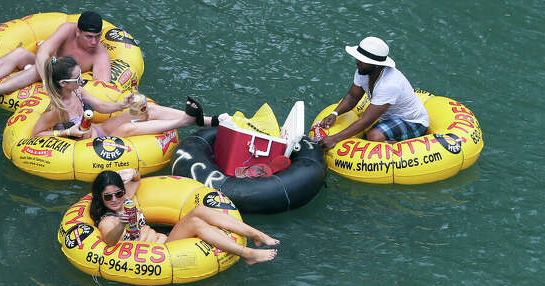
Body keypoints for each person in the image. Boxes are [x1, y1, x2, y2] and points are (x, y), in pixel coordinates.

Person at [91, 168, 279, 265]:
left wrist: (132, 172)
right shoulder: (109, 219)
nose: (114, 199)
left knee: (200, 210)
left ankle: (256, 235)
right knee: (195, 222)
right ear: (100, 197)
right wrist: (121, 224)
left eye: (118, 193)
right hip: (159, 253)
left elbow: (137, 179)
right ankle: (246, 254)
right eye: (108, 196)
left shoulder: (125, 201)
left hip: (166, 240)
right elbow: (109, 240)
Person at [30, 56, 215, 141]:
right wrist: (66, 133)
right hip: (92, 145)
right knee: (127, 128)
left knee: (143, 106)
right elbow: (36, 133)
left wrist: (122, 104)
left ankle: (204, 120)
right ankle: (186, 121)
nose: (82, 80)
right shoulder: (57, 110)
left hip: (100, 129)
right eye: (77, 78)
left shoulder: (78, 91)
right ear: (63, 83)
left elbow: (101, 106)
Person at [0, 10, 112, 104]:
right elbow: (43, 52)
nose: (94, 41)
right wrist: (46, 80)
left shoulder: (100, 56)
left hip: (65, 83)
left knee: (42, 68)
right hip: (47, 72)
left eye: (97, 36)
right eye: (89, 36)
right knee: (20, 54)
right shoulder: (67, 29)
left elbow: (102, 92)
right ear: (78, 32)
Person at [318, 36, 430, 150]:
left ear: (376, 64)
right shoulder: (363, 71)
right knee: (368, 135)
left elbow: (366, 121)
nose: (357, 62)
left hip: (412, 122)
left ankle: (404, 147)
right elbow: (352, 97)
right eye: (358, 58)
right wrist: (335, 114)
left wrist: (335, 138)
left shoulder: (389, 84)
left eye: (363, 61)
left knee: (373, 137)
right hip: (387, 117)